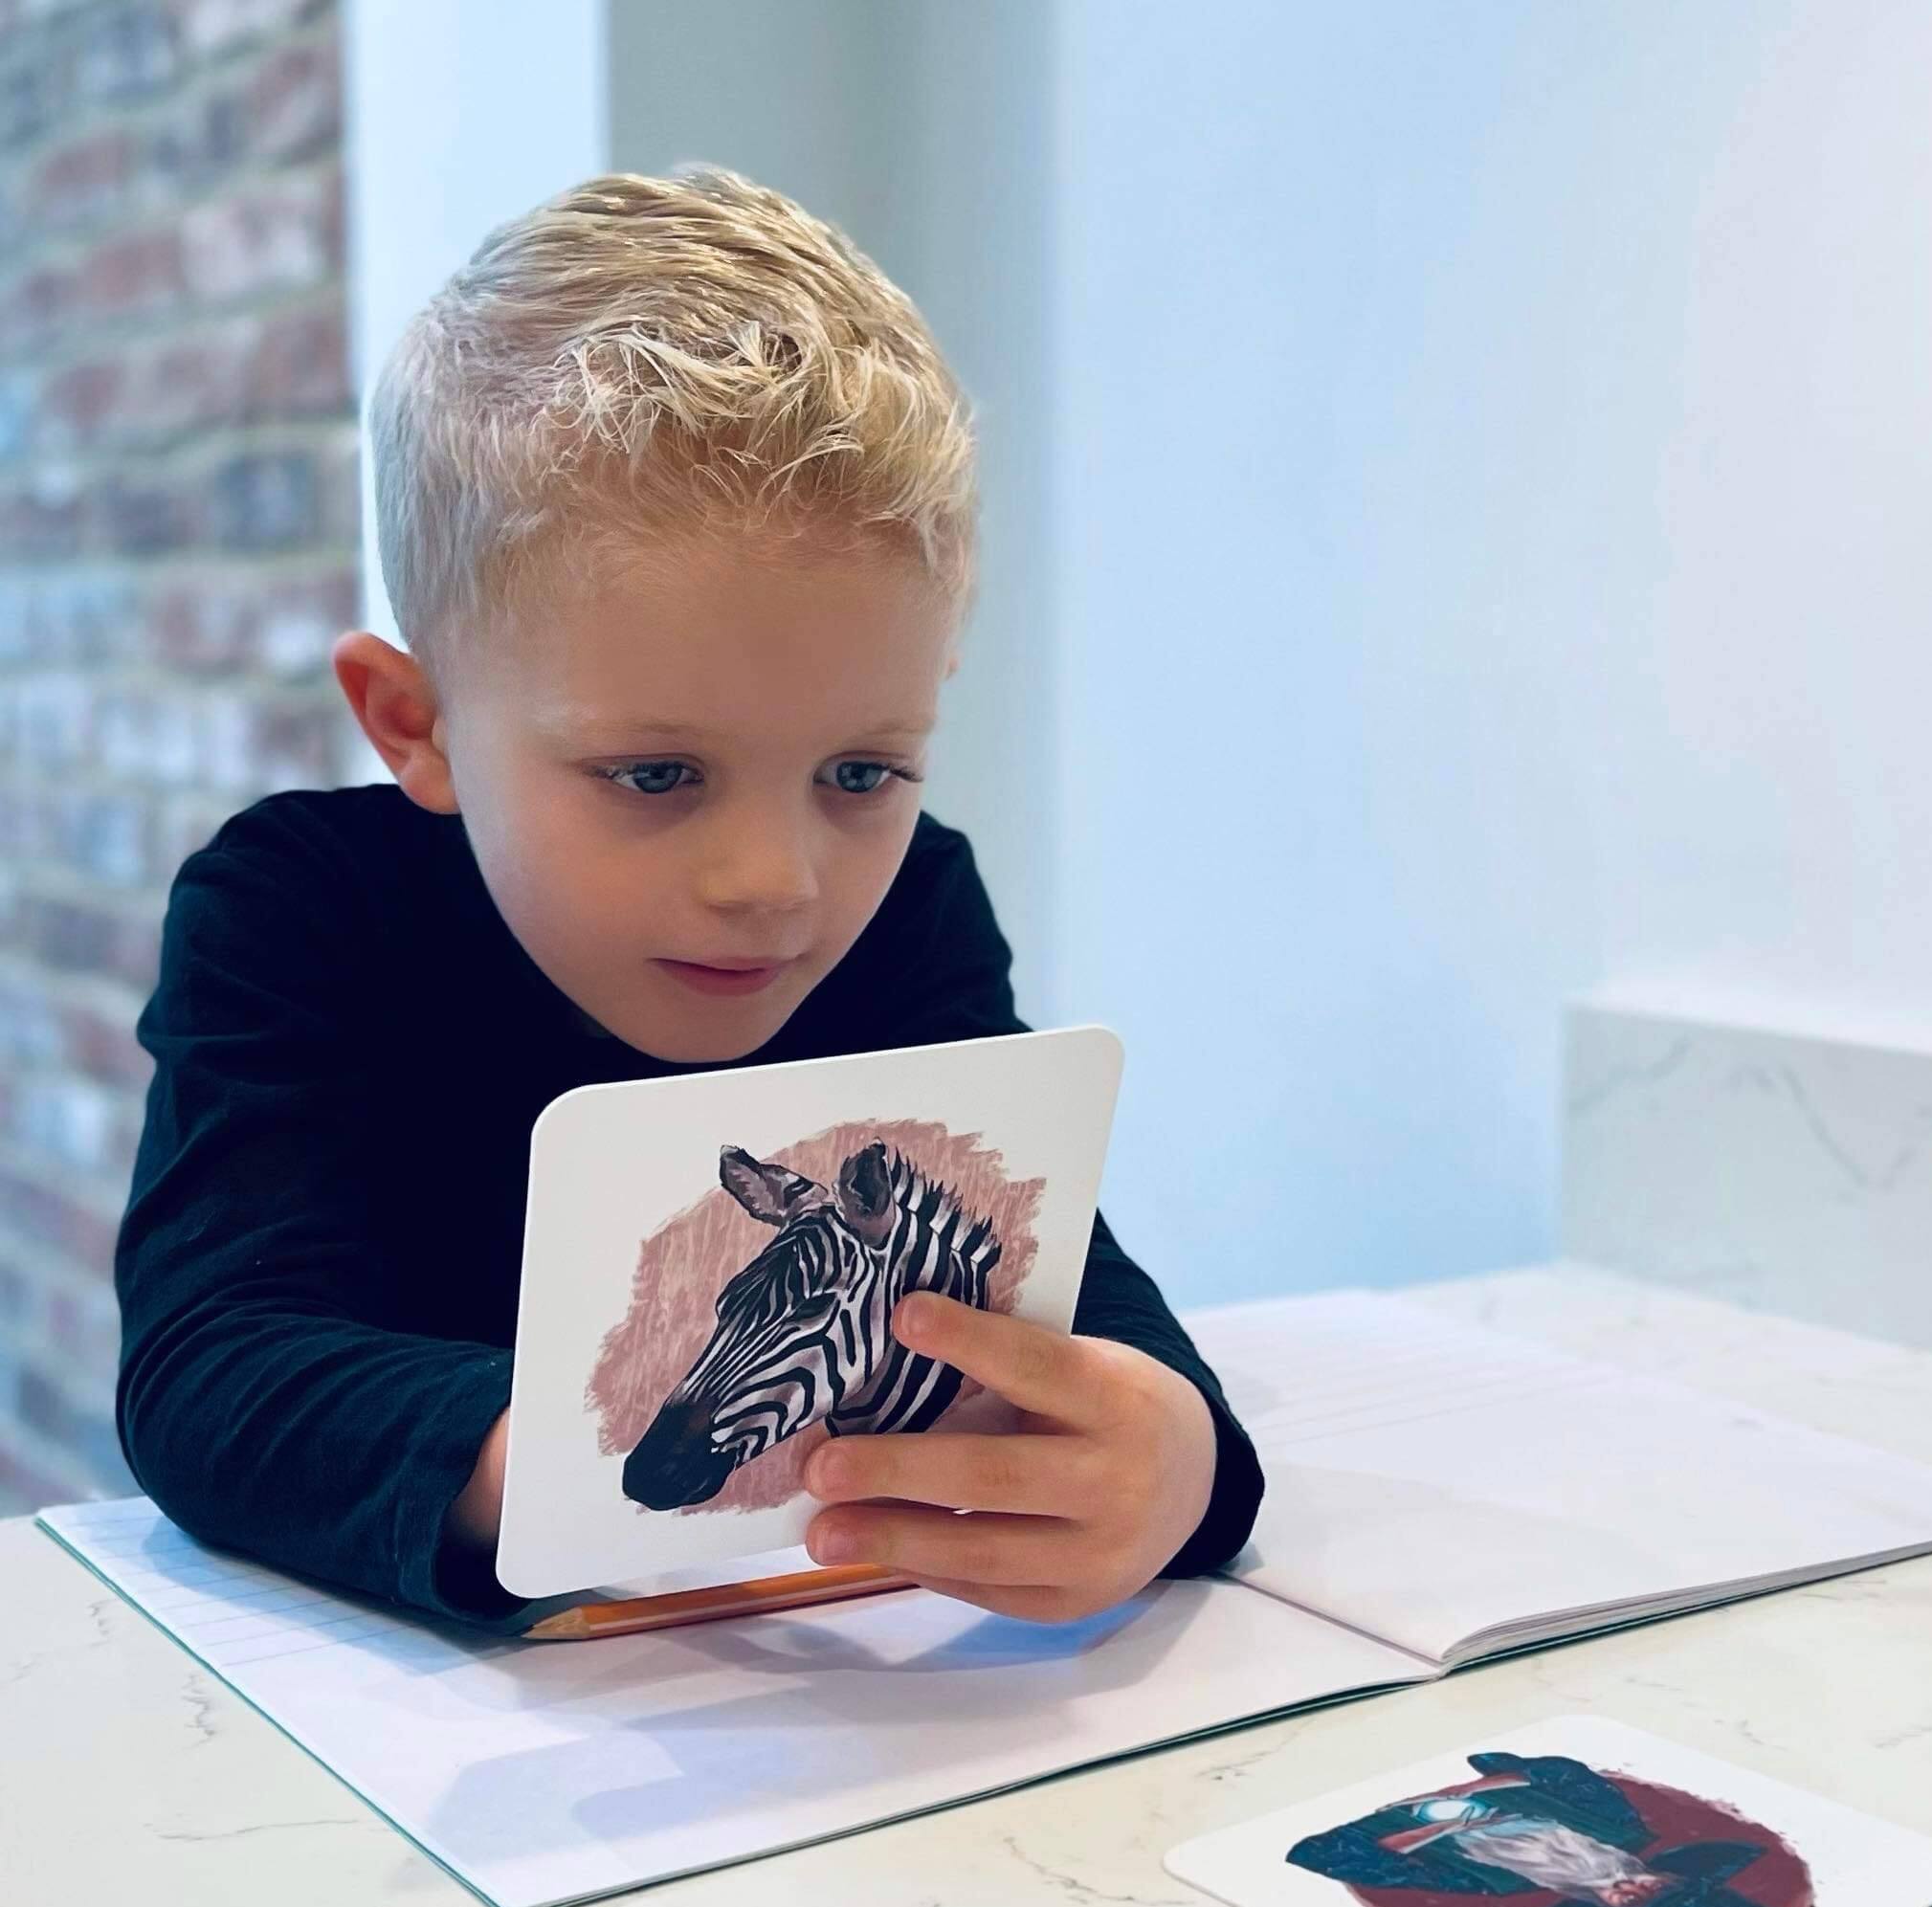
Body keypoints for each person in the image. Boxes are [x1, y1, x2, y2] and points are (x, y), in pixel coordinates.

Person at [112, 166, 1260, 1630]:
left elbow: (1056, 1295)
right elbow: (216, 1368)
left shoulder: (912, 918)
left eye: (861, 772)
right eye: (655, 775)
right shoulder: (296, 916)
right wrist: (574, 1471)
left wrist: (1173, 1453)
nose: (774, 884)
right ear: (414, 723)